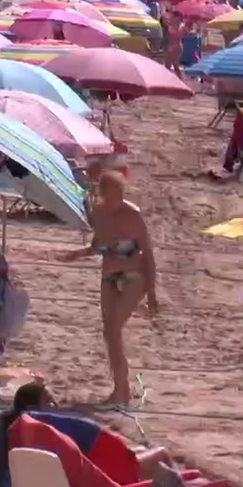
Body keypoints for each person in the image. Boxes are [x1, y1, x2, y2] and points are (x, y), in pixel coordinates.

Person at [0, 381, 188, 487]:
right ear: (33, 407)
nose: (55, 405)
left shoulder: (18, 443)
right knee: (161, 455)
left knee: (145, 459)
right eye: (49, 400)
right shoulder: (53, 429)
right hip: (105, 485)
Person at [59, 172, 159, 406]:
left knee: (114, 328)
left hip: (135, 276)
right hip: (110, 276)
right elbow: (99, 246)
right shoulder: (99, 213)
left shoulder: (133, 215)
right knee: (110, 333)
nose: (116, 199)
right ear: (103, 194)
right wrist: (77, 254)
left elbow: (148, 254)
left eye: (119, 194)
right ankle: (119, 388)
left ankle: (122, 392)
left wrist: (152, 293)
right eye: (111, 195)